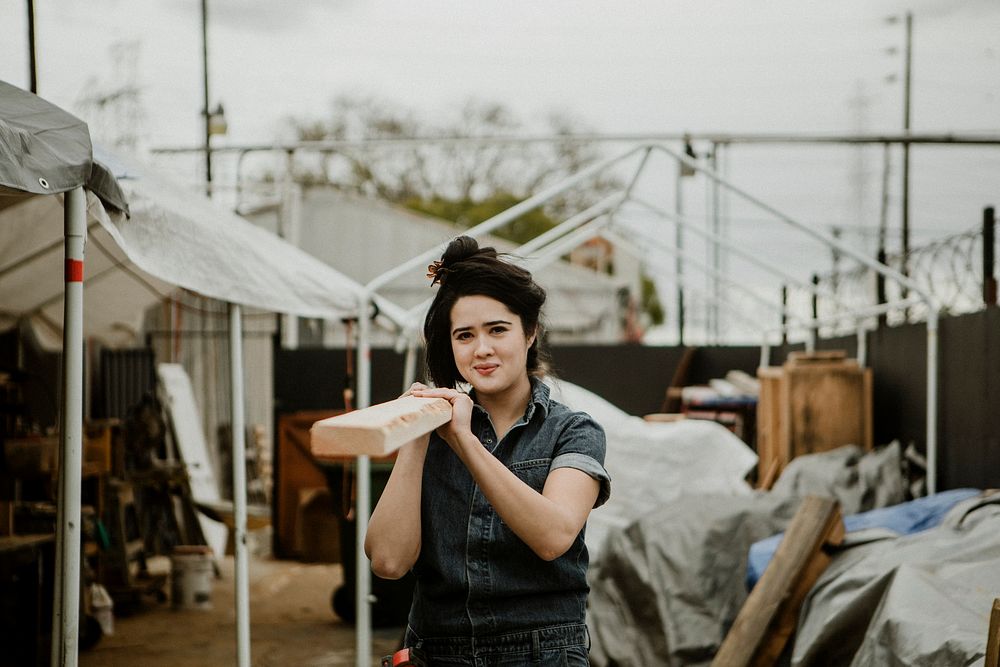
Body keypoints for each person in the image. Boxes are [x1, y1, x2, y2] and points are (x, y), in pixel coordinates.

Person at [365, 235, 611, 665]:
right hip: (438, 653)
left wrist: (464, 440)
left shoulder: (572, 432)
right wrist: (415, 440)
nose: (482, 349)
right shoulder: (432, 430)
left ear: (530, 332)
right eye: (465, 335)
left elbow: (553, 537)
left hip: (541, 655)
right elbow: (387, 561)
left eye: (498, 329)